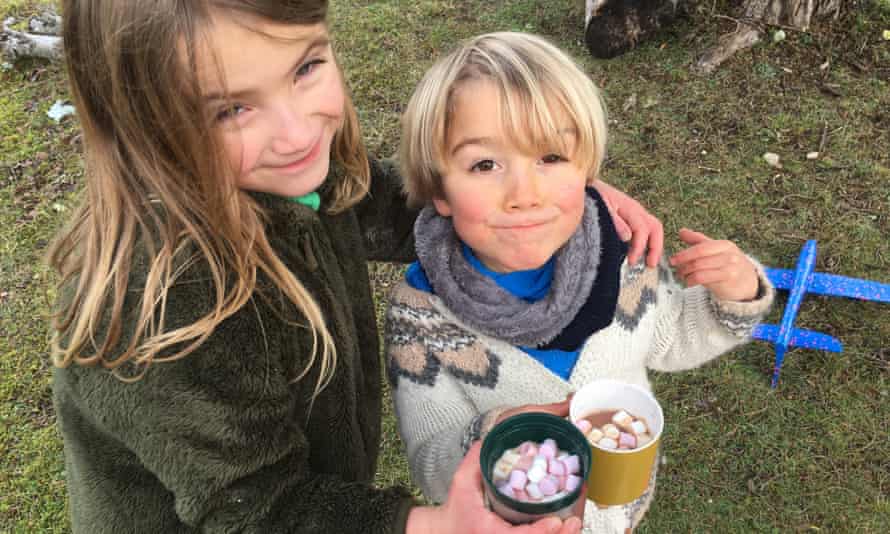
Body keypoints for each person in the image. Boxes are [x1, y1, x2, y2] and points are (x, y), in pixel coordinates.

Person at [47, 2, 665, 533]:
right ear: (139, 123)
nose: (296, 132)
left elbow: (395, 211)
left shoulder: (299, 175)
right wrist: (429, 524)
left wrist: (560, 194)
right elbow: (258, 506)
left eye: (306, 67)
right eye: (231, 109)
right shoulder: (160, 302)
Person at [385, 31, 776, 533]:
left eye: (550, 158)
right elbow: (432, 462)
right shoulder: (420, 315)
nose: (524, 194)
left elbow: (669, 336)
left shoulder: (621, 258)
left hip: (622, 505)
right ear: (439, 191)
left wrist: (736, 295)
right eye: (484, 164)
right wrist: (498, 435)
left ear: (587, 170)